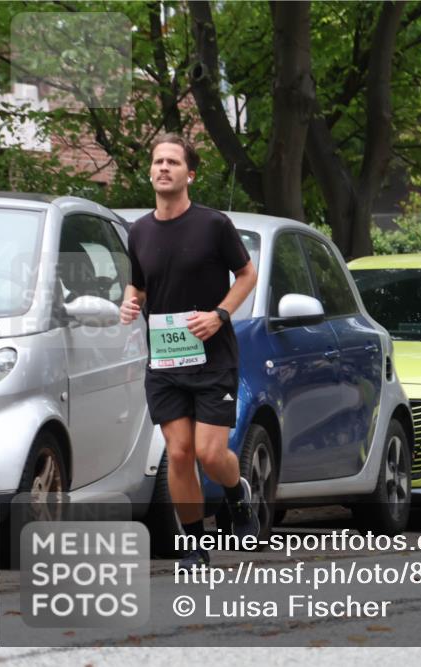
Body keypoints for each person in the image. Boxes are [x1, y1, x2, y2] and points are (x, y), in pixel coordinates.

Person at [120, 133, 259, 567]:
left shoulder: (213, 225)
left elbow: (247, 275)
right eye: (158, 161)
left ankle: (238, 492)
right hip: (164, 359)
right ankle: (195, 543)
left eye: (173, 162)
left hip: (212, 355)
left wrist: (219, 314)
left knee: (209, 454)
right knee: (178, 452)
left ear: (189, 174)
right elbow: (139, 283)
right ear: (150, 171)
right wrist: (129, 299)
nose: (163, 168)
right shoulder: (139, 231)